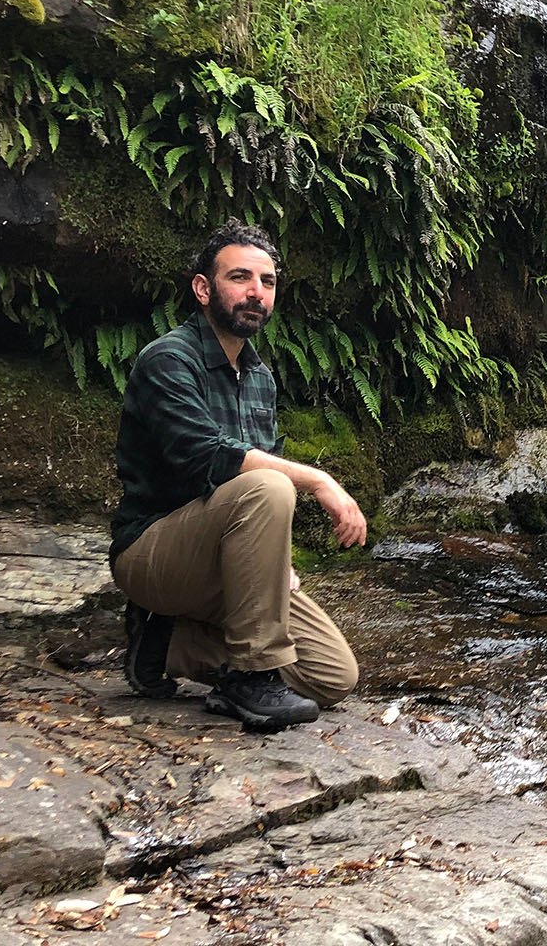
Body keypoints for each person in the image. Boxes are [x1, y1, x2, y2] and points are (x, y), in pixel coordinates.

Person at [110, 220, 367, 729]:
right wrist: (319, 480)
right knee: (271, 484)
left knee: (333, 676)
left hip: (228, 561)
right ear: (204, 289)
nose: (256, 292)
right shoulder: (167, 361)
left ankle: (166, 646)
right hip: (153, 555)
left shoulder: (260, 379)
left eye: (267, 282)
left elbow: (257, 493)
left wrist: (275, 566)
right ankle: (251, 678)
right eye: (240, 278)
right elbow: (207, 459)